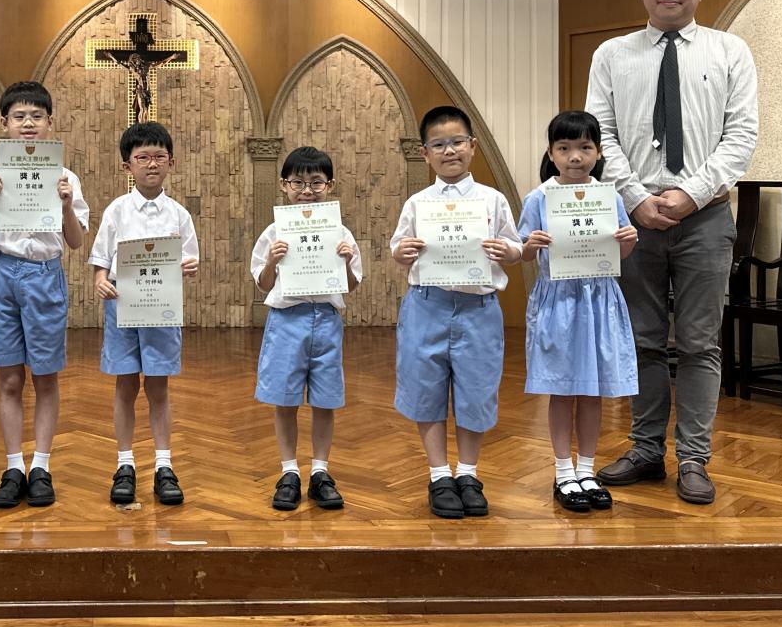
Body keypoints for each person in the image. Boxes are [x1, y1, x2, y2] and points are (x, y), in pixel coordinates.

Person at [586, 0, 758, 505]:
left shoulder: (729, 51)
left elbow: (741, 136)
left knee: (701, 343)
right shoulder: (612, 54)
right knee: (642, 339)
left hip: (705, 217)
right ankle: (644, 450)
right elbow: (601, 135)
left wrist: (690, 194)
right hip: (633, 220)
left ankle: (693, 458)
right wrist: (636, 198)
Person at [390, 105, 522, 520]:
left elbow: (516, 248)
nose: (449, 151)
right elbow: (398, 248)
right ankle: (438, 475)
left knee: (476, 390)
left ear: (473, 146)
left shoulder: (492, 199)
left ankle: (468, 473)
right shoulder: (418, 203)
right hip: (426, 306)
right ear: (425, 153)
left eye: (457, 142)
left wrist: (507, 251)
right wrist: (402, 251)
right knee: (425, 389)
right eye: (439, 144)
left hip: (478, 309)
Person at [0, 81, 89, 508]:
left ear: (50, 122)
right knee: (9, 378)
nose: (28, 123)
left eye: (37, 116)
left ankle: (42, 466)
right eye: (19, 116)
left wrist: (67, 205)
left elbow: (76, 242)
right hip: (3, 273)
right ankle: (13, 466)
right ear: (5, 123)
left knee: (45, 376)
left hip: (44, 274)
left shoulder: (66, 177)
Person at [518, 111, 639, 512]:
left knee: (592, 390)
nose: (575, 156)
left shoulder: (609, 197)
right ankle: (563, 472)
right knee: (563, 388)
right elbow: (523, 253)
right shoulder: (539, 198)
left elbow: (620, 252)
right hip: (559, 302)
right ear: (551, 153)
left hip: (599, 300)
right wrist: (531, 245)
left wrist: (628, 239)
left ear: (598, 152)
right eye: (565, 148)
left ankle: (587, 470)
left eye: (585, 147)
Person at [90, 122, 200, 506]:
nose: (152, 164)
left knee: (158, 387)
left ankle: (164, 465)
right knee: (125, 385)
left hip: (161, 310)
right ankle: (125, 463)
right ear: (128, 165)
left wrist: (187, 267)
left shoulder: (179, 215)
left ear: (172, 162)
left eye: (159, 157)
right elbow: (101, 259)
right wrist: (100, 280)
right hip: (122, 306)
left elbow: (189, 260)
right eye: (143, 157)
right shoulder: (116, 211)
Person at [250, 146, 361, 511]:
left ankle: (320, 471)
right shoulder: (273, 232)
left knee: (325, 400)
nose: (307, 190)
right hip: (287, 320)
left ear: (330, 185)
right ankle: (288, 471)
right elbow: (263, 284)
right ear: (284, 185)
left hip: (326, 320)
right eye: (298, 182)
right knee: (285, 399)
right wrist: (272, 260)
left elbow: (351, 285)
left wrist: (347, 261)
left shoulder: (339, 232)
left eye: (316, 182)